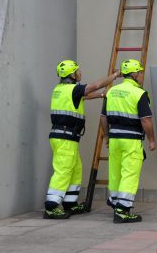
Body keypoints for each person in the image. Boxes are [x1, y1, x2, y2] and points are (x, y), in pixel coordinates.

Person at [44, 60, 119, 219]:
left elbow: (84, 95)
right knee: (63, 170)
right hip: (65, 138)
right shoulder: (74, 89)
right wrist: (114, 76)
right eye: (78, 71)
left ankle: (70, 203)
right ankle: (51, 206)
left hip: (64, 137)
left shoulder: (61, 89)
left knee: (75, 169)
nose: (80, 73)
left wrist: (100, 95)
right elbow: (94, 85)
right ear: (72, 74)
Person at [101, 59, 157, 223]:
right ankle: (123, 210)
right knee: (129, 173)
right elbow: (146, 120)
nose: (141, 76)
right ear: (134, 74)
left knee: (115, 171)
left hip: (115, 139)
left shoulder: (112, 91)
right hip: (131, 140)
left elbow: (103, 118)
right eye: (140, 73)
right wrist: (152, 140)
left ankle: (116, 201)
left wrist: (107, 136)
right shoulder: (139, 93)